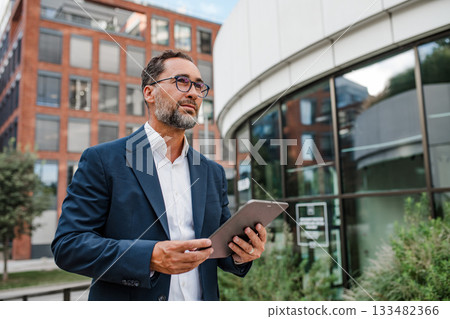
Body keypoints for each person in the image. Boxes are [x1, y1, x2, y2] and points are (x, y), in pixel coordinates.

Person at [51, 50, 267, 301]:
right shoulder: (103, 160)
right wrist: (149, 256)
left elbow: (218, 249)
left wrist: (242, 253)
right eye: (182, 81)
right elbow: (69, 245)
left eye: (199, 86)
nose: (194, 93)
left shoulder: (212, 172)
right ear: (149, 93)